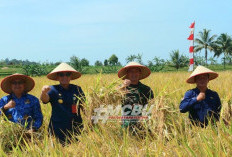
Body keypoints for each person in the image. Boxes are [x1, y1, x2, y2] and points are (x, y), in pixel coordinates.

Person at [40, 62, 85, 144]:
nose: (65, 77)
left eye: (67, 74)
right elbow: (45, 100)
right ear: (57, 77)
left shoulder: (77, 89)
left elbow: (84, 106)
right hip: (58, 128)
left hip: (76, 126)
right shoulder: (52, 89)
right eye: (61, 75)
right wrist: (43, 92)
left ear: (71, 76)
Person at [117, 62, 154, 132]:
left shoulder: (146, 89)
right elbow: (110, 98)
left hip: (143, 124)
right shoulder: (121, 89)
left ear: (139, 73)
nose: (134, 74)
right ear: (127, 74)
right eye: (131, 72)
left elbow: (152, 107)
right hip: (126, 125)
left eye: (136, 71)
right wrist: (123, 86)